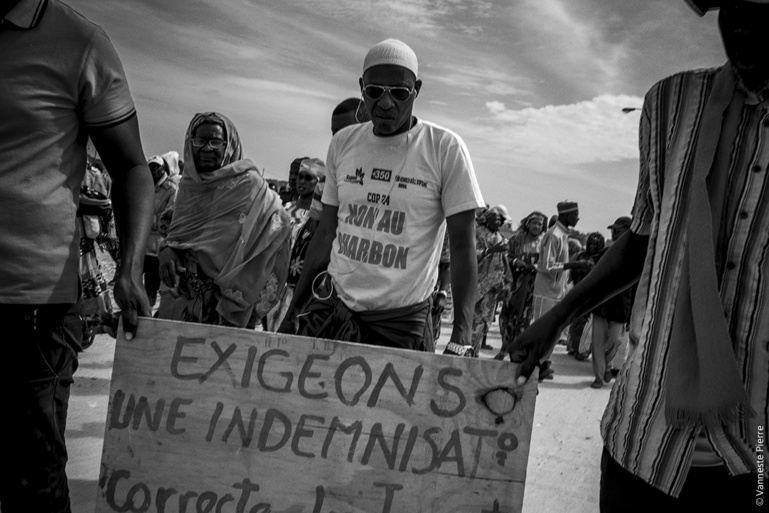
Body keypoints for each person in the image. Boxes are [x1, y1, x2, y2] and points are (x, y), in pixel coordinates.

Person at [506, 1, 768, 510]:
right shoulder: (670, 104)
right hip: (645, 442)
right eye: (731, 2)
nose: (740, 21)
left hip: (755, 457)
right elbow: (644, 240)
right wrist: (558, 318)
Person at [0, 1, 155, 511]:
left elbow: (132, 168)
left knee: (32, 477)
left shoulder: (80, 42)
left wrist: (129, 272)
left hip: (32, 306)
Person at [279, 38, 484, 354]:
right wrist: (294, 311)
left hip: (399, 326)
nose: (386, 104)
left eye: (399, 94)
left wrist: (461, 337)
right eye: (374, 92)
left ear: (416, 89)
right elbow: (325, 234)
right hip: (333, 312)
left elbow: (462, 246)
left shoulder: (444, 149)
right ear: (362, 86)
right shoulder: (344, 144)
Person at [157, 112, 291, 328]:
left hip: (230, 306)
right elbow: (177, 235)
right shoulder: (188, 187)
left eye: (215, 142)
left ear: (229, 146)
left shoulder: (249, 185)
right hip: (185, 298)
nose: (207, 148)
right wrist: (166, 249)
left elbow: (280, 229)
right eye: (200, 140)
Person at [530, 200, 590, 379]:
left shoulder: (563, 235)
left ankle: (543, 364)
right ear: (565, 215)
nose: (578, 218)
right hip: (545, 292)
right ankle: (533, 368)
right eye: (575, 215)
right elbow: (547, 265)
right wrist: (574, 264)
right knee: (542, 331)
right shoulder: (553, 235)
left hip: (557, 291)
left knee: (553, 331)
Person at [264, 157, 325, 331]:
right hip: (273, 285)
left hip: (298, 290)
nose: (302, 182)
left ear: (319, 182)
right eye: (300, 177)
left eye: (309, 178)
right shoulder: (284, 208)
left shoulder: (318, 218)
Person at [496, 211, 547, 359]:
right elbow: (506, 254)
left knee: (523, 320)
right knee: (505, 317)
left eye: (540, 224)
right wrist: (515, 262)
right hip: (514, 284)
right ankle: (505, 347)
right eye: (534, 223)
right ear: (528, 224)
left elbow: (548, 262)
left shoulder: (544, 243)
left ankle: (517, 352)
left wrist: (537, 266)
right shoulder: (517, 239)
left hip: (532, 287)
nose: (537, 226)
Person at [472, 205, 511, 355]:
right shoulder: (479, 233)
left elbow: (503, 260)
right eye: (494, 220)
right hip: (478, 283)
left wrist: (505, 281)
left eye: (499, 220)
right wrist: (490, 251)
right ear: (486, 220)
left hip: (493, 286)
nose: (497, 223)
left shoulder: (499, 236)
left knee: (485, 320)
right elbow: (471, 254)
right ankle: (468, 351)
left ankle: (474, 351)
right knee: (474, 319)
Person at [144, 152, 181, 307]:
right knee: (143, 286)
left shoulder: (172, 190)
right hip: (143, 246)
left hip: (158, 248)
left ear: (163, 169)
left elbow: (166, 221)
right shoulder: (146, 187)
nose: (153, 170)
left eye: (156, 167)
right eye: (151, 167)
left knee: (155, 287)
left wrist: (146, 220)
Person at [566, 232, 605, 358]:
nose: (592, 246)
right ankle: (573, 347)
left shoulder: (602, 258)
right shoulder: (579, 255)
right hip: (577, 291)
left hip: (592, 295)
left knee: (585, 324)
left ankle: (582, 350)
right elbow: (570, 272)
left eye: (595, 244)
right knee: (575, 321)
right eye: (590, 243)